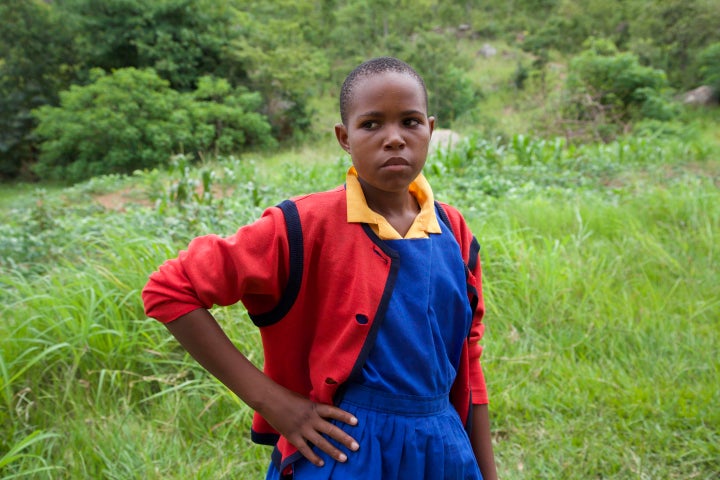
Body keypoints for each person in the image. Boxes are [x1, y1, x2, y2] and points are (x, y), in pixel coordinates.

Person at [142, 56, 498, 480]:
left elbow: (468, 366)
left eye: (410, 122)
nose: (394, 139)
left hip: (441, 453)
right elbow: (169, 289)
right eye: (371, 125)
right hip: (343, 453)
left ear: (431, 129)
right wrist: (274, 403)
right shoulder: (302, 225)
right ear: (344, 137)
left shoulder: (454, 231)